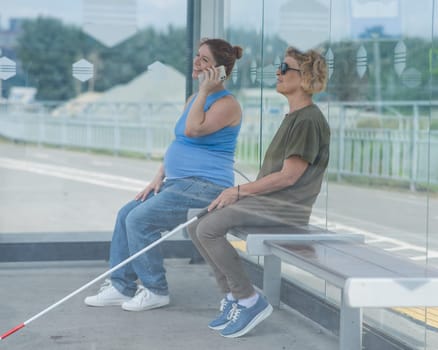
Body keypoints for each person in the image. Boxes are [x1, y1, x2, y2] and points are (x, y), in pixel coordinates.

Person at [84, 38, 243, 311]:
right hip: (177, 182)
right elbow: (180, 140)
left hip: (206, 186)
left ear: (220, 70)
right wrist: (159, 174)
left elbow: (194, 130)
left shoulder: (227, 104)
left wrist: (206, 90)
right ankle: (122, 286)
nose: (196, 63)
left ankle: (156, 289)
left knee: (139, 220)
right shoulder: (194, 98)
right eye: (197, 56)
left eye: (205, 60)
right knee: (126, 214)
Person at [187, 46, 330, 338]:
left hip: (286, 209)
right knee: (196, 224)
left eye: (285, 68)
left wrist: (239, 191)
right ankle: (232, 296)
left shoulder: (308, 120)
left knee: (209, 228)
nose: (277, 73)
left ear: (304, 78)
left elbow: (289, 177)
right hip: (269, 203)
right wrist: (241, 192)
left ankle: (249, 299)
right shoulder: (294, 117)